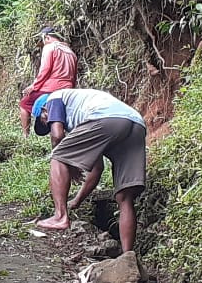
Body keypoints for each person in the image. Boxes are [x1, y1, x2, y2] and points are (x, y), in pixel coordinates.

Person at [31, 89, 146, 252]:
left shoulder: (54, 98)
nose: (48, 125)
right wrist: (76, 201)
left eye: (45, 121)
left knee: (57, 156)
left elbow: (57, 136)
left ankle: (59, 217)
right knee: (125, 196)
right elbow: (97, 168)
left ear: (45, 110)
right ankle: (127, 254)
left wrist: (68, 162)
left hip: (106, 117)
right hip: (136, 123)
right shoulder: (83, 113)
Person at [20, 26, 78, 137]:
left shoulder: (50, 48)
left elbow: (45, 70)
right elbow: (74, 75)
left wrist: (34, 86)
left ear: (46, 37)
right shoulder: (71, 52)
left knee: (24, 103)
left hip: (52, 87)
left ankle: (25, 135)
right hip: (68, 88)